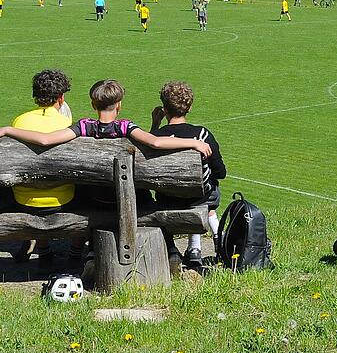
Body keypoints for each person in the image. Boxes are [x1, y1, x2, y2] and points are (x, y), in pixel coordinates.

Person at [0, 79, 213, 273]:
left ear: (94, 105)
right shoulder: (125, 127)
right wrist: (194, 142)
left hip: (95, 198)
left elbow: (46, 140)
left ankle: (92, 252)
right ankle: (169, 251)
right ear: (118, 104)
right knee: (144, 196)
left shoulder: (84, 126)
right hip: (127, 200)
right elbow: (155, 143)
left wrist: (9, 130)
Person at [3, 70, 79, 266]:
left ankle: (44, 251)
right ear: (61, 97)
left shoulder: (20, 121)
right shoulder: (65, 123)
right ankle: (76, 253)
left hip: (24, 199)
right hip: (61, 199)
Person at [150, 81, 226, 268]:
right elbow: (220, 172)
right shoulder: (202, 135)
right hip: (199, 199)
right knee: (211, 189)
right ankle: (215, 244)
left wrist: (155, 125)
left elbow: (148, 160)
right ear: (189, 107)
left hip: (167, 199)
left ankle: (175, 250)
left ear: (164, 108)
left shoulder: (157, 137)